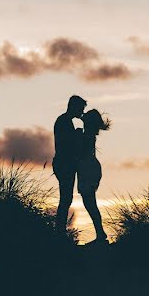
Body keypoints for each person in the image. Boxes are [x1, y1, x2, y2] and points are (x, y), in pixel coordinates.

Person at [53, 95, 87, 234]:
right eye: (81, 109)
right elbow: (67, 144)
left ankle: (59, 230)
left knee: (66, 199)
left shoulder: (65, 121)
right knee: (65, 199)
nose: (82, 112)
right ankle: (59, 231)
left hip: (65, 164)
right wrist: (78, 134)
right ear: (73, 106)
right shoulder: (63, 121)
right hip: (64, 164)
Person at [78, 108, 111, 244]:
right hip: (89, 169)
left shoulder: (87, 136)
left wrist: (77, 136)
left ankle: (100, 233)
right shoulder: (89, 134)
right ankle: (100, 232)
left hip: (88, 170)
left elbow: (81, 152)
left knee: (90, 203)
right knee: (90, 203)